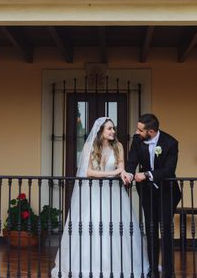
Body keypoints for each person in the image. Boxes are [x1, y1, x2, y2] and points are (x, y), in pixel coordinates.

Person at [52, 117, 149, 278]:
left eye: (113, 128)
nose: (113, 131)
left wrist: (124, 174)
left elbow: (121, 167)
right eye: (109, 128)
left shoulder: (118, 146)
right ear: (101, 131)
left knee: (117, 228)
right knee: (94, 226)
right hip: (95, 193)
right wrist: (113, 173)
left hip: (114, 193)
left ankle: (118, 268)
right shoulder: (90, 147)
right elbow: (89, 173)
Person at [121, 113, 181, 278]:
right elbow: (132, 160)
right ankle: (153, 270)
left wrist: (146, 174)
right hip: (147, 192)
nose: (137, 131)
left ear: (152, 131)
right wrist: (129, 174)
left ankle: (168, 271)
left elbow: (169, 170)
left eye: (140, 129)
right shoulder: (137, 139)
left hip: (168, 192)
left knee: (166, 230)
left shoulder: (170, 143)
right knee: (151, 228)